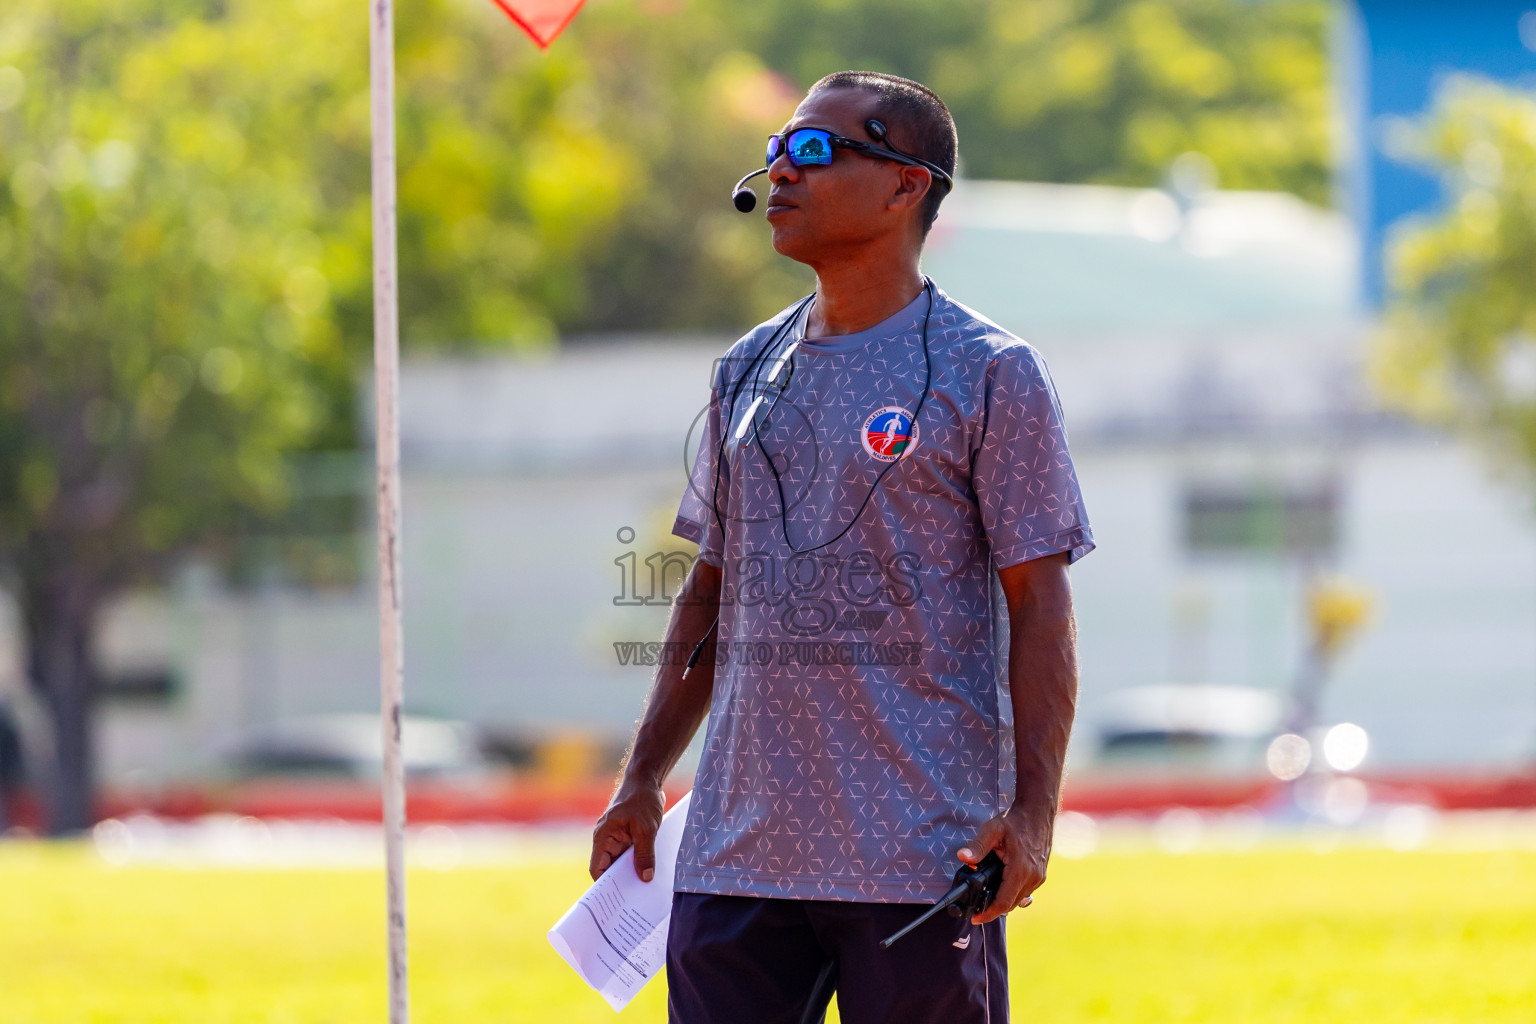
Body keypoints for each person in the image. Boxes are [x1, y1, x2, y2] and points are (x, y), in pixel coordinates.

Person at [590, 70, 1094, 1024]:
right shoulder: (745, 367)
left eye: (814, 150)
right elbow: (713, 586)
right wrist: (643, 775)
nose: (780, 168)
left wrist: (1032, 815)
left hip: (921, 863)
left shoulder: (994, 373)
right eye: (778, 148)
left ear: (908, 186)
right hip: (734, 861)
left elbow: (1042, 606)